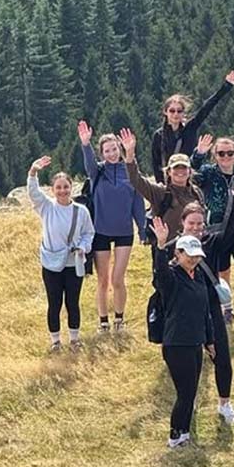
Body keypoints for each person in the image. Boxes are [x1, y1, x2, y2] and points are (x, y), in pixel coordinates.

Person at [150, 217, 215, 448]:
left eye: (196, 255)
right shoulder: (172, 276)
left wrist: (210, 341)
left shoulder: (197, 276)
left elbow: (205, 310)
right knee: (185, 393)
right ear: (177, 254)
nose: (193, 259)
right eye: (189, 255)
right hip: (177, 344)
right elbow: (160, 274)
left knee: (192, 391)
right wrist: (160, 246)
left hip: (195, 342)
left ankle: (185, 434)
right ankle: (175, 435)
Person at [78, 121, 146, 333]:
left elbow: (138, 203)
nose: (111, 154)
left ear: (120, 148)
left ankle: (119, 319)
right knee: (103, 279)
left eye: (114, 149)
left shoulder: (130, 171)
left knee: (118, 279)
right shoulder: (97, 172)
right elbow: (89, 165)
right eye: (106, 151)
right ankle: (103, 322)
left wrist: (143, 229)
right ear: (102, 153)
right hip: (101, 231)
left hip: (125, 231)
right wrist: (86, 144)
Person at [177, 203, 234, 426]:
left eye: (199, 223)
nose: (195, 227)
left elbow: (232, 230)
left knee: (222, 356)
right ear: (182, 223)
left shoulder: (212, 243)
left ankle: (225, 404)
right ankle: (190, 402)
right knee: (191, 363)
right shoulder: (173, 247)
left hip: (211, 308)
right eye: (191, 223)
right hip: (185, 314)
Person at [28, 156, 95, 352]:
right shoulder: (47, 207)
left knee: (73, 303)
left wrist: (83, 247)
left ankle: (74, 340)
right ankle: (55, 341)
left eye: (66, 187)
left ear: (71, 188)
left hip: (74, 263)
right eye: (58, 187)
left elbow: (88, 233)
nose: (62, 191)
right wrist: (33, 172)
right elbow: (33, 192)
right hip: (52, 264)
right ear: (52, 190)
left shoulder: (81, 211)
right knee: (54, 303)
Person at [190, 134, 234, 323]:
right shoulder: (208, 173)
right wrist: (199, 154)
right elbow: (191, 173)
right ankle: (227, 308)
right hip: (216, 231)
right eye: (220, 153)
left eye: (229, 153)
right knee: (222, 270)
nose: (225, 157)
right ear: (214, 155)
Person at [121, 128, 205, 247]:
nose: (180, 172)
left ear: (190, 171)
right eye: (176, 168)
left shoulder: (197, 193)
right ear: (168, 172)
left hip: (193, 248)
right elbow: (136, 180)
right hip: (165, 248)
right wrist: (130, 155)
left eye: (184, 168)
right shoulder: (160, 192)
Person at [151, 70, 234, 183]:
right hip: (168, 185)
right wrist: (161, 188)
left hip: (190, 183)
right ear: (165, 112)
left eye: (179, 111)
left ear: (183, 113)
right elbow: (156, 164)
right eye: (172, 111)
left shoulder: (190, 128)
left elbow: (206, 108)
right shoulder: (159, 136)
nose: (175, 114)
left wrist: (225, 87)